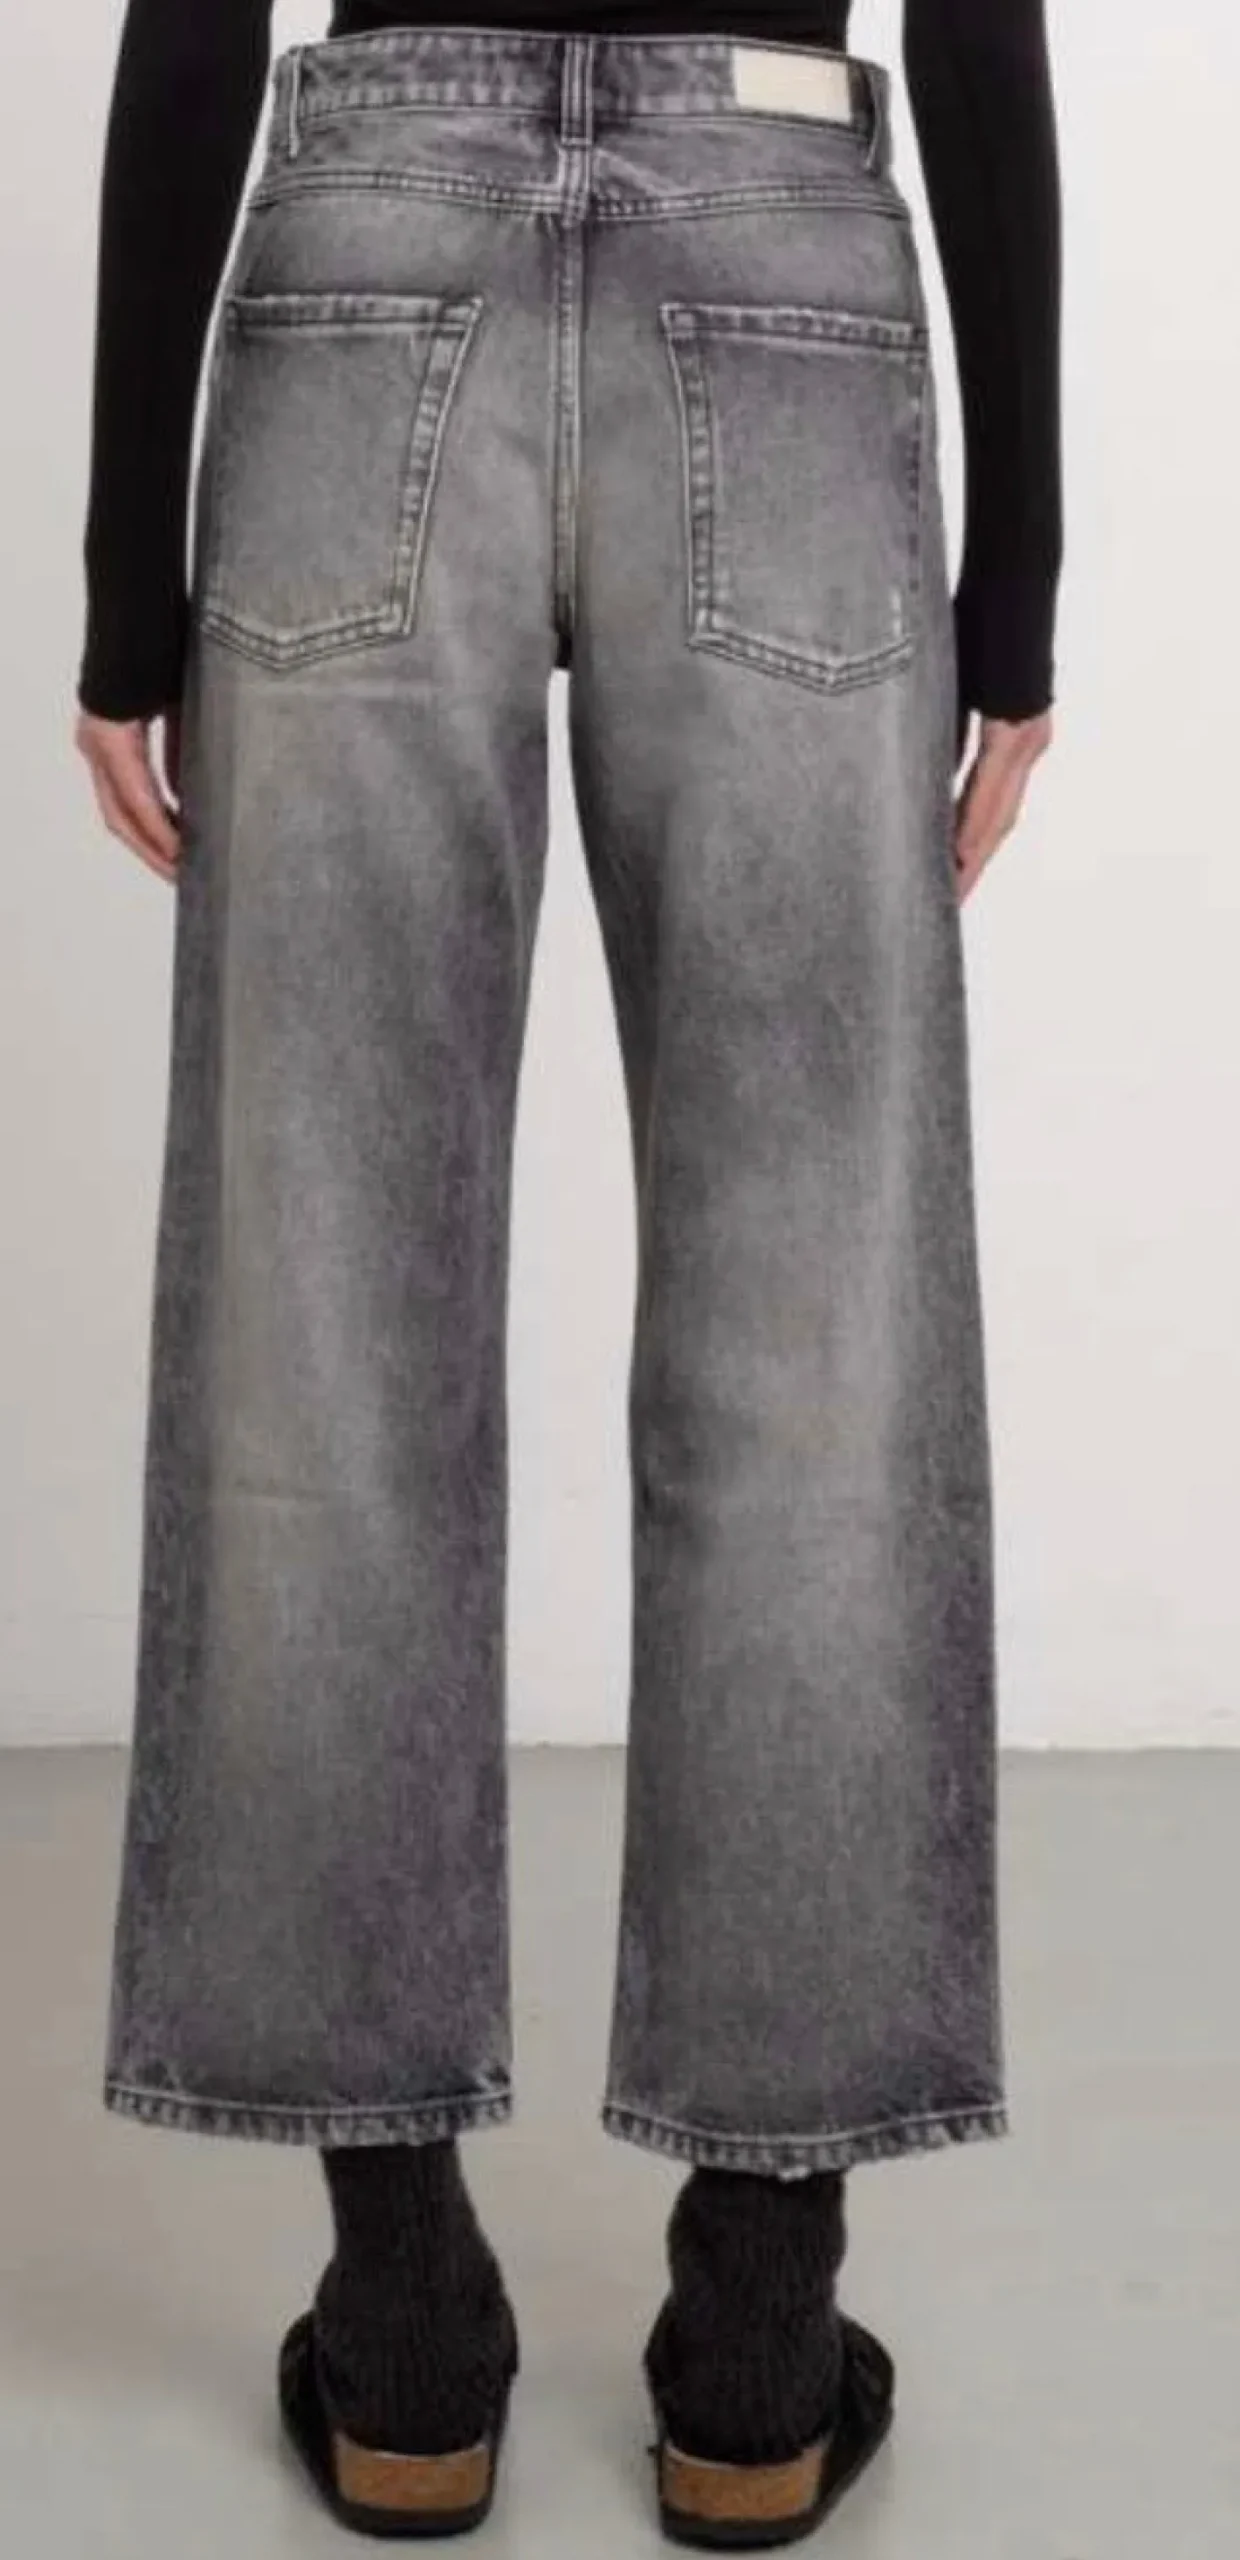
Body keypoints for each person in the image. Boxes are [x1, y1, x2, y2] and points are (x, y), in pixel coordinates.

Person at [74, 2, 1061, 2545]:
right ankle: (756, 2335)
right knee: (815, 1350)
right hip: (778, 264)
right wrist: (1015, 589)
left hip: (366, 259)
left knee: (321, 1331)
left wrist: (121, 590)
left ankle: (400, 2317)